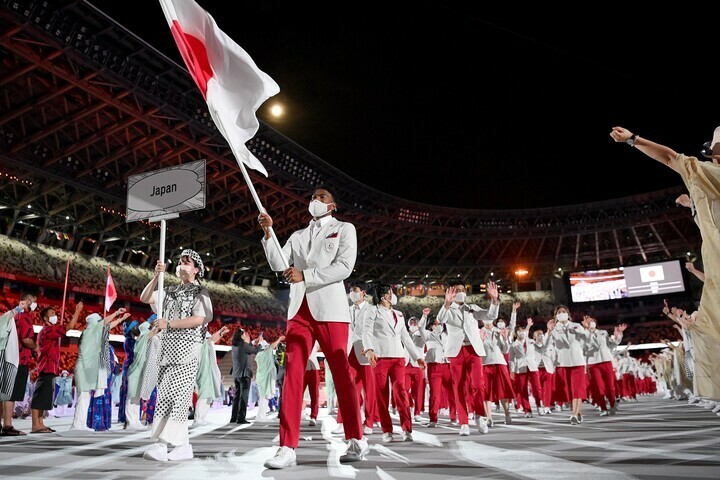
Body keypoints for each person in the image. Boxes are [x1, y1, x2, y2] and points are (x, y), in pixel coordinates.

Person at [257, 185, 368, 468]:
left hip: (330, 310)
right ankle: (287, 447)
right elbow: (276, 263)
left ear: (332, 206)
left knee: (342, 373)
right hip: (299, 312)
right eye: (313, 197)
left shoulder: (345, 229)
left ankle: (356, 438)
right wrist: (269, 233)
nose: (315, 200)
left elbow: (345, 267)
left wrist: (305, 275)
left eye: (322, 197)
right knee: (293, 375)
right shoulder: (298, 235)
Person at [610, 125, 720, 400]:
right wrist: (692, 205)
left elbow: (671, 158)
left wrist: (633, 140)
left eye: (714, 153)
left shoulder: (714, 173)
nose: (710, 158)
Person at [139, 249, 214, 462]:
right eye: (180, 261)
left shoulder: (201, 292)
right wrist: (156, 276)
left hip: (187, 350)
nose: (182, 265)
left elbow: (199, 319)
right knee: (166, 396)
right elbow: (145, 298)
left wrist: (169, 324)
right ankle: (183, 446)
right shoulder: (169, 290)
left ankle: (162, 445)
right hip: (166, 350)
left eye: (187, 262)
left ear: (196, 269)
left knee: (177, 397)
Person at [363, 284, 426, 443]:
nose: (393, 295)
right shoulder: (372, 310)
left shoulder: (398, 314)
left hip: (399, 358)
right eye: (390, 293)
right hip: (380, 358)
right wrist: (369, 349)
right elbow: (366, 331)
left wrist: (417, 357)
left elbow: (405, 337)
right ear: (384, 296)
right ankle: (387, 430)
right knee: (382, 396)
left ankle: (407, 429)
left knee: (401, 392)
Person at [437, 279, 499, 436]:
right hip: (456, 352)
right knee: (458, 387)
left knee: (478, 385)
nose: (461, 292)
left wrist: (494, 300)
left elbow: (490, 315)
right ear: (451, 293)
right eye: (457, 290)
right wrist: (446, 303)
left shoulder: (472, 308)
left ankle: (479, 416)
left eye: (463, 289)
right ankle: (463, 422)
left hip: (473, 350)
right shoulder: (448, 309)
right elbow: (441, 319)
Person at [71, 309, 129, 431]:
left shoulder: (93, 333)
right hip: (84, 369)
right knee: (83, 397)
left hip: (89, 369)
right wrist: (117, 313)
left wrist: (120, 319)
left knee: (85, 397)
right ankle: (76, 425)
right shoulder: (89, 331)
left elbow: (107, 326)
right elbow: (104, 324)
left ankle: (80, 425)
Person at [32, 302, 83, 433]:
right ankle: (35, 425)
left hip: (49, 367)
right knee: (39, 396)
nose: (55, 315)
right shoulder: (48, 330)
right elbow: (69, 327)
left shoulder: (48, 330)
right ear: (45, 318)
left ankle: (40, 423)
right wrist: (77, 311)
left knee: (44, 397)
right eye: (52, 314)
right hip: (46, 367)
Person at [335, 280, 375, 435]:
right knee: (347, 388)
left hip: (366, 350)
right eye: (351, 290)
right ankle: (343, 421)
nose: (352, 293)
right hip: (350, 350)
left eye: (355, 290)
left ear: (363, 293)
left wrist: (370, 348)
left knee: (369, 390)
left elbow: (369, 331)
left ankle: (369, 422)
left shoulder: (372, 310)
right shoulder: (347, 309)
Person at [1, 293, 37, 436]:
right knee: (12, 392)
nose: (35, 305)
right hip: (19, 358)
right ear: (27, 301)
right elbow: (27, 339)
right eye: (34, 301)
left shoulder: (13, 315)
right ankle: (8, 425)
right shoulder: (25, 316)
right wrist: (36, 347)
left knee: (3, 390)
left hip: (6, 356)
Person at [547, 305, 587, 425]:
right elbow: (546, 345)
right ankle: (576, 411)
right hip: (562, 363)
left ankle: (574, 415)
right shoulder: (554, 328)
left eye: (564, 311)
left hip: (577, 362)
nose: (562, 313)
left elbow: (586, 342)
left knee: (577, 390)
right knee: (568, 392)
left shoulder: (577, 326)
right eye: (559, 312)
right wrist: (549, 331)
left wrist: (585, 329)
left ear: (568, 314)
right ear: (556, 316)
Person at [418, 308, 457, 427]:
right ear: (430, 325)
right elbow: (420, 327)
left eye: (439, 323)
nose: (437, 325)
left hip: (447, 366)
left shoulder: (447, 334)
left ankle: (453, 416)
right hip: (434, 367)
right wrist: (424, 316)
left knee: (452, 393)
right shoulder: (428, 335)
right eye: (434, 324)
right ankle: (433, 419)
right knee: (435, 395)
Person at [583, 316, 625, 416]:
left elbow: (611, 345)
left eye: (592, 321)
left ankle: (612, 404)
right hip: (593, 363)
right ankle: (603, 408)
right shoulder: (583, 334)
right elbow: (584, 347)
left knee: (610, 386)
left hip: (606, 360)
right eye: (588, 322)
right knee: (598, 387)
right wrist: (587, 330)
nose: (590, 323)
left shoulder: (603, 332)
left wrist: (618, 335)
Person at [192, 325, 230, 427]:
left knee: (208, 395)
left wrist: (221, 333)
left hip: (209, 369)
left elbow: (212, 339)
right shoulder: (199, 337)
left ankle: (202, 418)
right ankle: (198, 419)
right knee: (204, 394)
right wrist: (220, 332)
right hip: (204, 369)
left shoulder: (206, 338)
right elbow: (210, 339)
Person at [125, 315, 155, 429]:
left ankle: (135, 421)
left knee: (136, 397)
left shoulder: (142, 339)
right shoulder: (142, 338)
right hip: (135, 373)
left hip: (138, 372)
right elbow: (153, 332)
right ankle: (130, 421)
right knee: (131, 397)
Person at [230, 328, 262, 424]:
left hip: (236, 374)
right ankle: (241, 418)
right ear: (242, 335)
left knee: (237, 396)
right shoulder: (243, 345)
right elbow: (256, 351)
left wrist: (252, 342)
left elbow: (248, 348)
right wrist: (260, 342)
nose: (247, 335)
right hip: (244, 374)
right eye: (245, 333)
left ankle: (234, 417)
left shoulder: (235, 345)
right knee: (244, 397)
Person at [254, 334, 286, 422]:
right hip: (265, 378)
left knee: (263, 397)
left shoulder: (259, 355)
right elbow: (272, 346)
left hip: (261, 378)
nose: (268, 345)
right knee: (265, 397)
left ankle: (260, 416)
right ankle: (261, 416)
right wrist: (279, 339)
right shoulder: (265, 353)